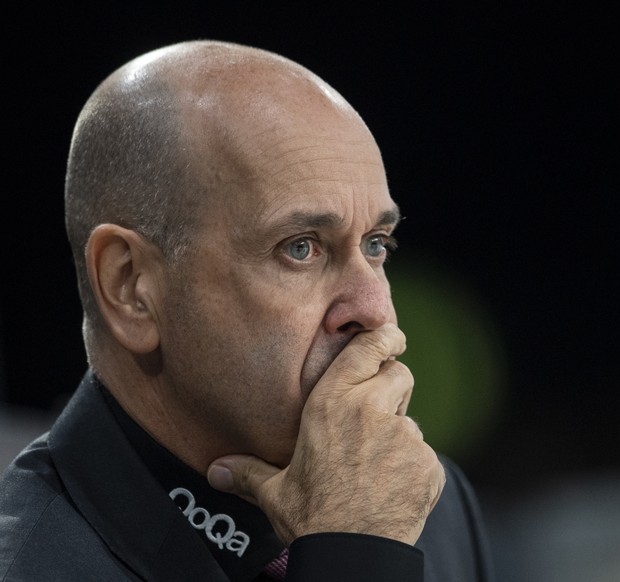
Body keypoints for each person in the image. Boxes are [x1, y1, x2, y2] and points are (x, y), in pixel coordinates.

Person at [0, 40, 494, 581]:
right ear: (131, 286)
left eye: (376, 244)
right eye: (300, 248)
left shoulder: (420, 503)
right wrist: (355, 556)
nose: (376, 312)